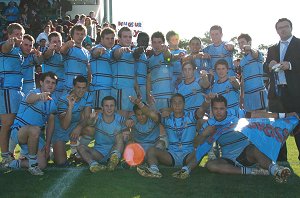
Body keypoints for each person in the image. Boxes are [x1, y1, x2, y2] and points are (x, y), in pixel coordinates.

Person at [194, 95, 295, 183]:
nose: (219, 112)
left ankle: (276, 170)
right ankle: (253, 171)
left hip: (245, 152)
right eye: (215, 108)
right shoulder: (209, 124)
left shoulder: (235, 114)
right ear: (211, 109)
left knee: (255, 150)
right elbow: (196, 144)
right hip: (228, 158)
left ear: (226, 108)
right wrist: (203, 134)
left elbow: (256, 114)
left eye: (221, 108)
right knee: (210, 165)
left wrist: (284, 115)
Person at [136, 93, 210, 179]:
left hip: (188, 155)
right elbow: (150, 114)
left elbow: (202, 109)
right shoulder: (166, 118)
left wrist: (207, 100)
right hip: (171, 156)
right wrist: (139, 104)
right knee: (151, 150)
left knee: (201, 149)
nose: (177, 104)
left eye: (180, 102)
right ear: (171, 105)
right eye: (174, 102)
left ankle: (186, 170)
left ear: (184, 104)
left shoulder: (191, 116)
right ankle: (154, 170)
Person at [7, 72, 58, 175]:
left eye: (53, 83)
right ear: (41, 83)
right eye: (47, 82)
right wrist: (40, 96)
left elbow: (50, 125)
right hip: (19, 131)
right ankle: (32, 165)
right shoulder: (33, 92)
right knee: (35, 129)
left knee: (43, 164)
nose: (50, 85)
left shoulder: (52, 102)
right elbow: (30, 98)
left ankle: (16, 163)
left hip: (34, 136)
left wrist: (48, 145)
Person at [264, 18, 300, 161]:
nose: (283, 29)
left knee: (298, 129)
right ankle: (281, 161)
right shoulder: (272, 48)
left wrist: (290, 65)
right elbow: (265, 69)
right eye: (280, 28)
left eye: (285, 27)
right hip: (276, 95)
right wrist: (268, 65)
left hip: (296, 94)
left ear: (291, 27)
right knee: (278, 129)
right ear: (277, 30)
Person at [77, 96, 127, 173]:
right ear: (102, 107)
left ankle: (114, 159)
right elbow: (90, 123)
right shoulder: (97, 117)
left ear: (115, 107)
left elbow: (126, 135)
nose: (109, 108)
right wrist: (91, 119)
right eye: (106, 106)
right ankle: (94, 165)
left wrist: (127, 132)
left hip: (114, 149)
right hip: (99, 153)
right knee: (80, 147)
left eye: (111, 105)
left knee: (121, 135)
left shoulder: (120, 119)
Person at [51, 76, 92, 166]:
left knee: (90, 128)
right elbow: (64, 125)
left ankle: (76, 152)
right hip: (61, 130)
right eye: (78, 88)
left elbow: (87, 117)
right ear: (73, 87)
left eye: (83, 88)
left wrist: (79, 127)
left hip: (75, 125)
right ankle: (52, 153)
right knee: (61, 162)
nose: (81, 91)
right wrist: (70, 107)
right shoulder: (63, 99)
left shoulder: (88, 95)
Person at [0, 23, 24, 166]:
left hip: (16, 90)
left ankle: (11, 153)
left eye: (20, 34)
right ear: (9, 35)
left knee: (15, 123)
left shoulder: (19, 50)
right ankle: (5, 155)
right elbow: (5, 48)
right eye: (16, 34)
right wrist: (10, 43)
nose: (18, 37)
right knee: (7, 124)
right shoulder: (6, 45)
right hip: (7, 90)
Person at [237, 33, 268, 113]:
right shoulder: (242, 61)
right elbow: (243, 79)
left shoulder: (257, 53)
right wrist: (241, 96)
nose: (241, 45)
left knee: (261, 122)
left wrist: (250, 49)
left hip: (258, 93)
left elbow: (255, 53)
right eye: (239, 43)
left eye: (242, 42)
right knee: (250, 122)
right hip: (247, 95)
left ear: (249, 42)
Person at [111, 27, 137, 117]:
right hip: (120, 90)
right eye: (125, 36)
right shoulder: (116, 48)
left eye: (130, 37)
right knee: (121, 119)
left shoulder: (131, 52)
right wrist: (121, 50)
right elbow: (116, 54)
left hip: (131, 90)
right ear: (119, 38)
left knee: (132, 118)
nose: (128, 39)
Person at [90, 27, 115, 109]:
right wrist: (99, 50)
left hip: (109, 89)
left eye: (112, 38)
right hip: (99, 89)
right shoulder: (97, 48)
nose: (110, 41)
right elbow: (94, 53)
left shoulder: (111, 52)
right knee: (99, 115)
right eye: (107, 38)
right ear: (102, 39)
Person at [60, 24, 90, 92]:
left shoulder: (87, 52)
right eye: (77, 34)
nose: (80, 36)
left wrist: (87, 85)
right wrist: (67, 45)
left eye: (82, 34)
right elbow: (62, 51)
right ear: (72, 35)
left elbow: (88, 71)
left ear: (85, 36)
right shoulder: (69, 48)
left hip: (82, 89)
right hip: (69, 88)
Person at [43, 31, 64, 99]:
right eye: (54, 42)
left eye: (59, 41)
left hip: (63, 90)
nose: (57, 44)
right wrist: (51, 50)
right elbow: (46, 55)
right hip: (50, 90)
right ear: (49, 43)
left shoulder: (65, 53)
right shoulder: (48, 50)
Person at [133, 32, 149, 101]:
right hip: (136, 86)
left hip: (144, 86)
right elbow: (135, 54)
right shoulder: (134, 50)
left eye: (146, 41)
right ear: (137, 41)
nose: (144, 43)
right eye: (142, 41)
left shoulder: (145, 54)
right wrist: (139, 51)